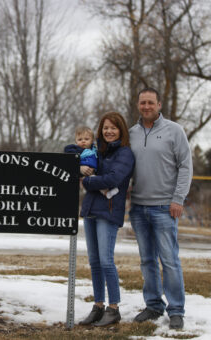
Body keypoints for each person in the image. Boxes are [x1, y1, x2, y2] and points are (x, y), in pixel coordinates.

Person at [129, 87, 192, 330]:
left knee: (169, 260)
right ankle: (154, 305)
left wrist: (178, 199)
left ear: (159, 105)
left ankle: (176, 310)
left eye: (150, 102)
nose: (146, 106)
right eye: (142, 102)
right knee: (147, 260)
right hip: (138, 208)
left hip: (165, 207)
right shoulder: (132, 134)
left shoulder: (174, 131)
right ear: (138, 105)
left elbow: (185, 166)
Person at [77, 112, 135, 326]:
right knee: (94, 262)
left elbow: (114, 179)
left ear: (121, 130)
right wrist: (81, 170)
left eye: (113, 127)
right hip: (91, 209)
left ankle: (114, 308)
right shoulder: (96, 151)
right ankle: (98, 305)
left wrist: (89, 181)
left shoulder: (125, 154)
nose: (109, 131)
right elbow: (82, 168)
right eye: (105, 128)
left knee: (106, 261)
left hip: (109, 212)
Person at [64, 126, 119, 199]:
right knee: (94, 180)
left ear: (92, 140)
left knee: (100, 178)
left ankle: (109, 189)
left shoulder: (94, 149)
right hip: (84, 173)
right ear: (76, 141)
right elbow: (68, 158)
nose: (83, 141)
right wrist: (79, 167)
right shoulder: (76, 150)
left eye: (86, 139)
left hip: (94, 170)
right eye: (80, 139)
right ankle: (106, 192)